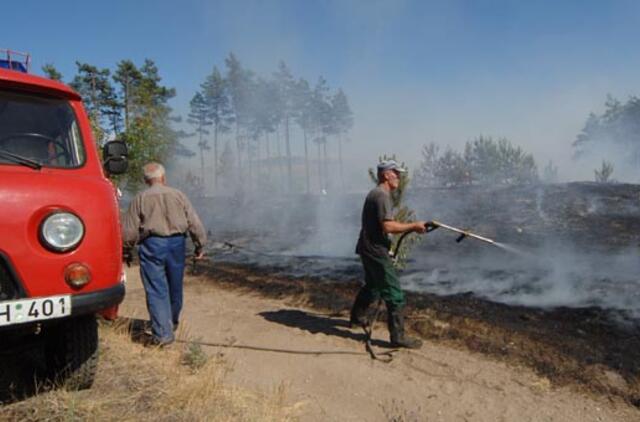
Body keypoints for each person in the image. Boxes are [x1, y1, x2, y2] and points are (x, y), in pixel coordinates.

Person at [122, 162, 207, 346]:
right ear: (163, 178)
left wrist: (126, 250)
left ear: (146, 180)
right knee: (175, 287)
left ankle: (163, 335)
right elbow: (194, 222)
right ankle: (171, 323)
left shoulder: (140, 198)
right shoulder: (178, 195)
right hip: (177, 244)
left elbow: (129, 231)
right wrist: (200, 246)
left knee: (156, 289)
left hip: (153, 245)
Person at [350, 160, 427, 349]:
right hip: (375, 251)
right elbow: (388, 226)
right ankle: (398, 337)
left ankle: (357, 317)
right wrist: (414, 226)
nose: (399, 178)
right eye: (396, 174)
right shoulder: (382, 196)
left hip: (367, 248)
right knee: (394, 293)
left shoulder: (376, 194)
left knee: (373, 285)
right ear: (386, 175)